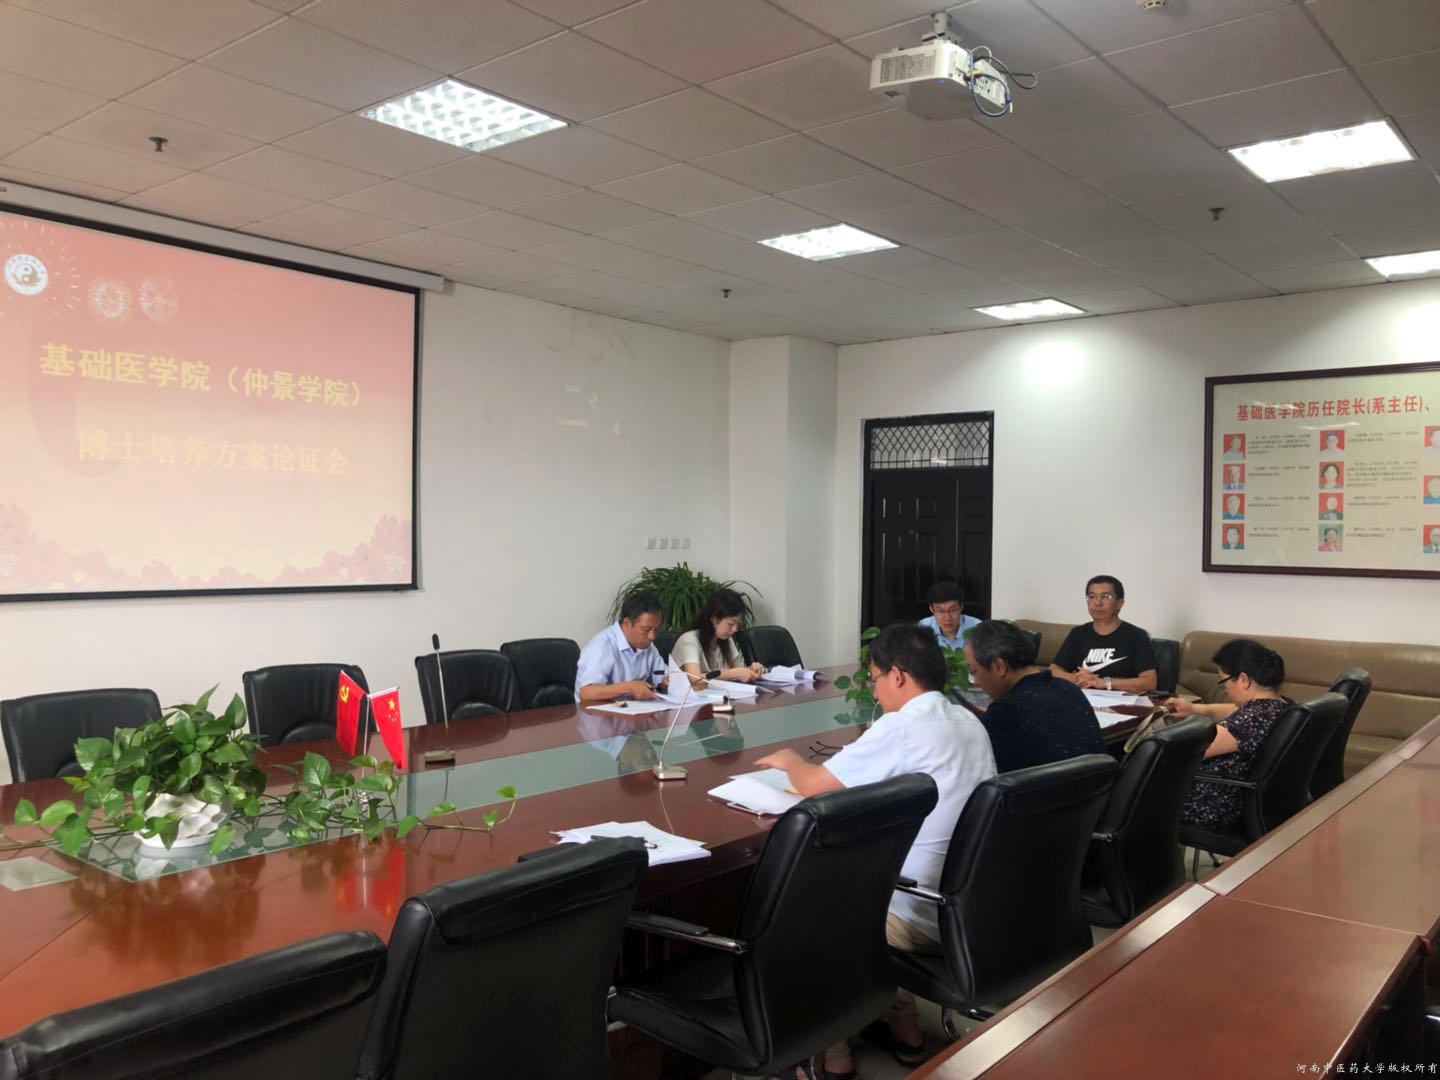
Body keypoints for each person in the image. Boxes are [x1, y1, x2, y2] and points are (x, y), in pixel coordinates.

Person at [755, 624, 995, 1075]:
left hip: (920, 914)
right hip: (969, 907)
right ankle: (905, 1029)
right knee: (876, 879)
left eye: (876, 678)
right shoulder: (969, 721)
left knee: (808, 909)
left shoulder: (902, 726)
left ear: (898, 676)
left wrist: (789, 760)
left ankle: (831, 1055)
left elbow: (815, 786)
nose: (875, 689)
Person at [1160, 639, 1292, 831]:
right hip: (1244, 800)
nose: (1226, 690)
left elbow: (1184, 753)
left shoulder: (1248, 722)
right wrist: (1195, 709)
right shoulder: (1279, 706)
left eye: (1224, 682)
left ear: (1244, 680)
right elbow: (1233, 710)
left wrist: (1152, 734)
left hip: (1212, 805)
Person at [968, 620, 1106, 773]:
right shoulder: (1069, 689)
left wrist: (988, 719)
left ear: (999, 667)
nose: (976, 681)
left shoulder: (1003, 713)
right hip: (1098, 786)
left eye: (974, 672)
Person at [1049, 575, 1158, 693]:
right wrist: (1076, 678)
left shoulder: (1136, 635)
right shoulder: (1078, 634)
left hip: (1123, 700)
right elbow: (1054, 670)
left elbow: (1150, 682)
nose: (1097, 603)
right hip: (1083, 699)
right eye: (1092, 597)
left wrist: (1103, 683)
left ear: (1119, 603)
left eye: (1105, 597)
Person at [574, 592, 668, 703]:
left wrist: (668, 681)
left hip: (634, 709)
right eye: (646, 630)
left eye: (656, 629)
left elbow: (661, 674)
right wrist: (629, 687)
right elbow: (586, 692)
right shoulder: (601, 646)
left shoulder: (647, 646)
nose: (652, 636)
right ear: (627, 623)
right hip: (596, 711)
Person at [669, 589, 765, 684]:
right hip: (691, 693)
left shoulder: (727, 639)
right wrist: (732, 674)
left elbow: (739, 670)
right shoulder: (689, 640)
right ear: (714, 619)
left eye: (738, 624)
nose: (735, 629)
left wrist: (751, 670)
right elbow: (695, 679)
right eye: (731, 624)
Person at [919, 579, 979, 651]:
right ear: (931, 608)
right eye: (941, 611)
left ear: (961, 606)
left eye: (952, 610)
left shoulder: (977, 628)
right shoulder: (921, 629)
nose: (948, 618)